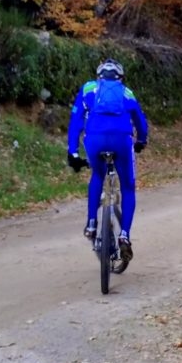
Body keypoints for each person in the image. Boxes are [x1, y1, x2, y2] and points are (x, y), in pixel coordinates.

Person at [67, 59, 148, 262]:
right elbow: (140, 120)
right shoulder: (127, 93)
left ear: (99, 77)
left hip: (94, 139)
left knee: (97, 175)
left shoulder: (88, 89)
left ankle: (92, 223)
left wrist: (73, 152)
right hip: (121, 139)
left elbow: (76, 120)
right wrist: (141, 141)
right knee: (128, 187)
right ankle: (124, 236)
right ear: (120, 78)